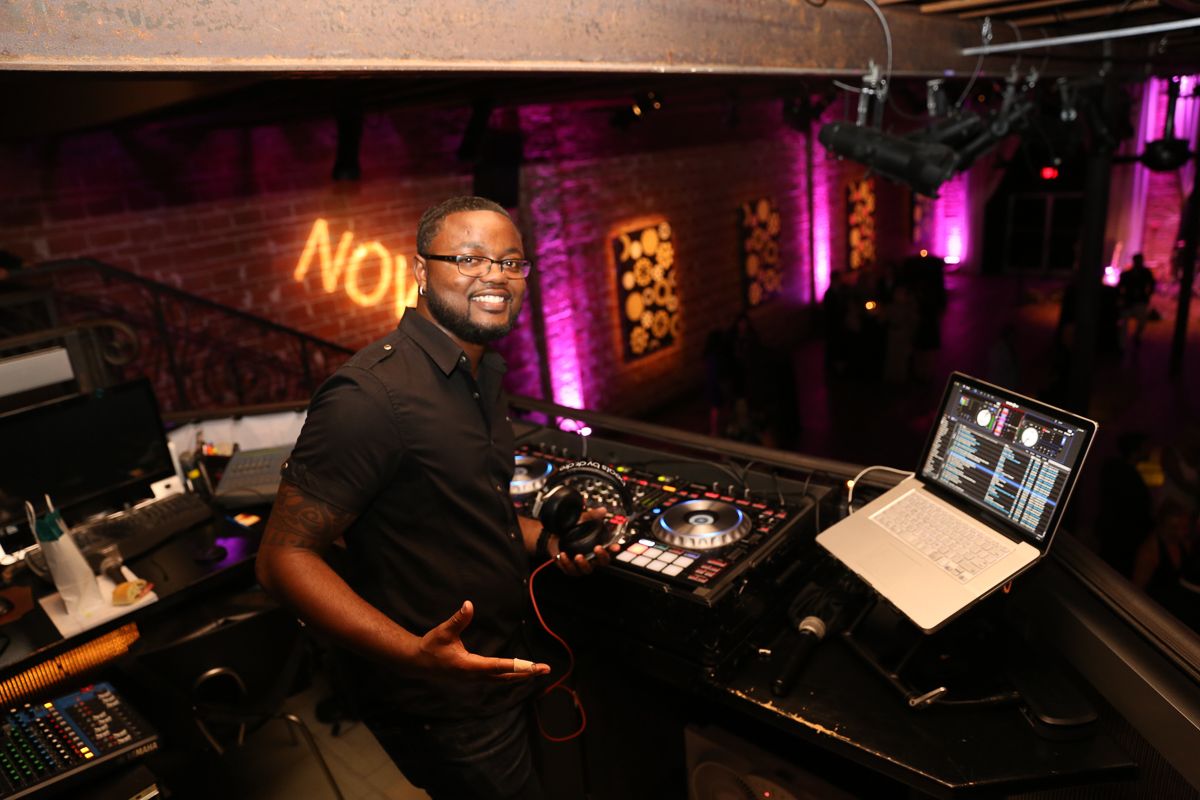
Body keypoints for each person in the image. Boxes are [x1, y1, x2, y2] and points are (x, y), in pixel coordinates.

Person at [255, 196, 611, 800]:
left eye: (511, 262)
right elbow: (282, 559)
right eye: (470, 258)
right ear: (420, 271)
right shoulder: (369, 398)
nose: (495, 276)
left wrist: (550, 540)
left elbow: (467, 507)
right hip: (446, 705)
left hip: (505, 666)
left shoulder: (482, 374)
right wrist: (415, 654)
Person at [1117, 252, 1156, 351]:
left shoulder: (1142, 273)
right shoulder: (1129, 274)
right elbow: (1120, 287)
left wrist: (1148, 295)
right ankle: (1123, 344)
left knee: (1140, 320)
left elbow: (1152, 284)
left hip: (1136, 301)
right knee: (1126, 322)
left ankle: (1126, 342)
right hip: (1131, 302)